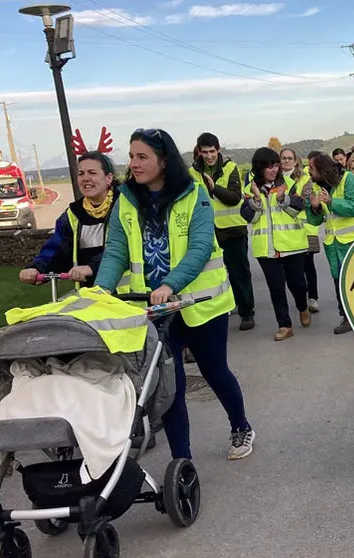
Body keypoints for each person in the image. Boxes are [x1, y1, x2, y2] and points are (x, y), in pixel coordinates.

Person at [95, 127, 255, 461]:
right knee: (171, 385)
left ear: (163, 161)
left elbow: (199, 248)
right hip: (154, 310)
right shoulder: (126, 197)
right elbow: (116, 250)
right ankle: (182, 462)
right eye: (131, 156)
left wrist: (170, 285)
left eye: (143, 157)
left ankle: (240, 425)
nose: (134, 164)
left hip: (198, 303)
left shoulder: (193, 194)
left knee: (214, 371)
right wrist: (101, 290)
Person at [240, 147, 312, 341]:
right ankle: (285, 325)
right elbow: (248, 217)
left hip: (292, 245)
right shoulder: (249, 189)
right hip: (266, 249)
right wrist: (256, 199)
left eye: (275, 166)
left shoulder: (289, 184)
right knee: (276, 288)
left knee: (297, 284)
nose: (272, 170)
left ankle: (303, 307)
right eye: (268, 167)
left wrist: (283, 198)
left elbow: (299, 208)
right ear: (259, 168)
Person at [20, 151, 120, 288]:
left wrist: (91, 267)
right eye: (81, 173)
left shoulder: (125, 208)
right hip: (90, 296)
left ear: (108, 178)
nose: (85, 178)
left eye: (92, 173)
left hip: (126, 296)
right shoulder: (72, 215)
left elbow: (120, 249)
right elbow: (57, 249)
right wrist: (37, 268)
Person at [189, 132, 256, 331]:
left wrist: (214, 187)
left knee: (239, 273)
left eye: (212, 151)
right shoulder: (193, 172)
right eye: (205, 152)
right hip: (208, 232)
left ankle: (247, 312)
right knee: (213, 276)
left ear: (218, 150)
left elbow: (234, 198)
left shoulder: (230, 167)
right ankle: (220, 309)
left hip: (233, 230)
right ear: (199, 152)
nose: (209, 155)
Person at [305, 151, 354, 335]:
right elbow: (315, 220)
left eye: (311, 168)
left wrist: (332, 201)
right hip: (333, 244)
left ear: (321, 168)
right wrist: (315, 208)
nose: (309, 171)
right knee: (339, 282)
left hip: (353, 241)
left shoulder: (349, 179)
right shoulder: (318, 186)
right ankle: (347, 317)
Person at [280, 148, 320, 314]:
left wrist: (286, 198)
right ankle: (301, 297)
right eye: (283, 158)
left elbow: (304, 201)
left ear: (296, 161)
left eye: (290, 158)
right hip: (284, 231)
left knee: (308, 265)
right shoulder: (276, 179)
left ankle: (313, 297)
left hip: (305, 227)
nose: (287, 161)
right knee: (292, 269)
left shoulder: (304, 178)